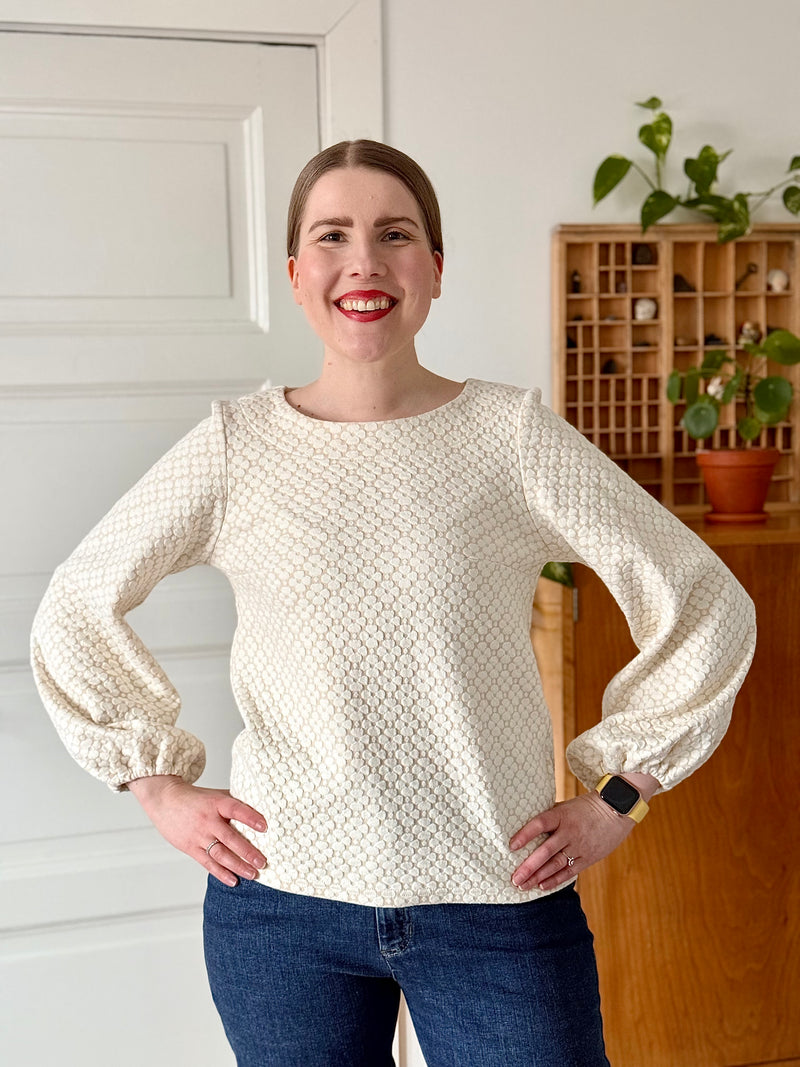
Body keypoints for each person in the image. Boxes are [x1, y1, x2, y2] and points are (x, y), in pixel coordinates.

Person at [31, 140, 756, 1067]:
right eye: (332, 236)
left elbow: (704, 596)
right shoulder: (234, 447)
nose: (363, 261)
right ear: (296, 274)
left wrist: (620, 797)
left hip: (496, 897)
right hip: (280, 907)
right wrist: (156, 786)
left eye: (395, 234)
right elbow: (77, 602)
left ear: (436, 269)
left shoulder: (512, 437)